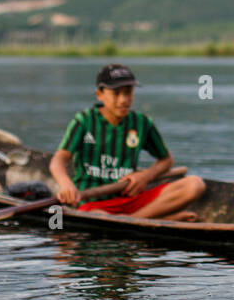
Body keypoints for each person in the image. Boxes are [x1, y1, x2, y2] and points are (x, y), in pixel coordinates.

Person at [48, 63, 205, 221]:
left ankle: (136, 219)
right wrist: (66, 183)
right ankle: (160, 219)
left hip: (131, 200)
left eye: (128, 93)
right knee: (99, 216)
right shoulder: (84, 121)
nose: (123, 100)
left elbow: (166, 160)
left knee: (194, 185)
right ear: (100, 94)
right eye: (116, 93)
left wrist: (145, 176)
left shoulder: (142, 123)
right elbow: (58, 160)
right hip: (92, 204)